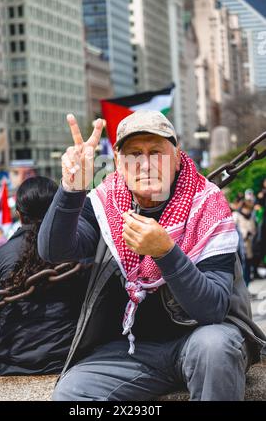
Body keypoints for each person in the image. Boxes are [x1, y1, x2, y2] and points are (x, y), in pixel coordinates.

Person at [38, 111, 266, 401]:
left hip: (200, 341)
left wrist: (166, 252)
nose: (145, 164)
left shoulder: (206, 204)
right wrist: (72, 188)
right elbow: (53, 251)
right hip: (133, 350)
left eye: (156, 152)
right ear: (119, 163)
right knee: (73, 391)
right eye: (134, 154)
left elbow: (212, 310)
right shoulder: (105, 203)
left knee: (214, 347)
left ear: (176, 156)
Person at [0, 176, 90, 374]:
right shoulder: (79, 249)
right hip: (70, 358)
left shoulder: (0, 256)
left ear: (19, 214)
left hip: (12, 360)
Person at [232, 201, 256, 286]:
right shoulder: (236, 215)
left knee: (247, 268)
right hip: (239, 247)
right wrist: (244, 234)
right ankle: (243, 288)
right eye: (247, 209)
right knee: (241, 268)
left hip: (248, 246)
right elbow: (233, 229)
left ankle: (247, 287)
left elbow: (254, 230)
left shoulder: (250, 217)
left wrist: (250, 234)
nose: (248, 211)